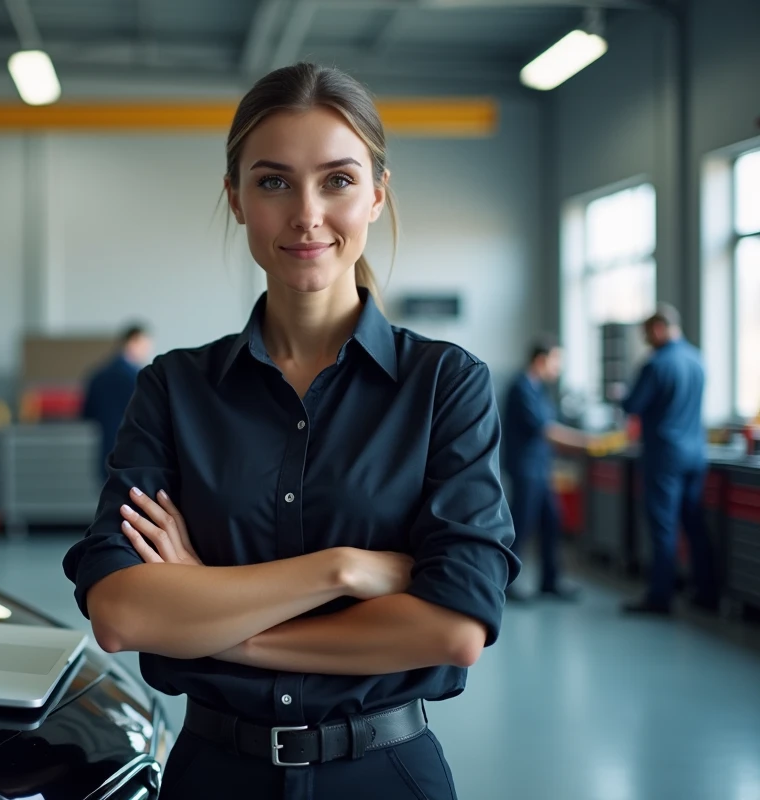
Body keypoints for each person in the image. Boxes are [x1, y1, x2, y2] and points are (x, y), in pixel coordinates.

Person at [63, 63, 518, 800]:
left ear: (376, 193)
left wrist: (212, 617)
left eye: (337, 180)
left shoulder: (444, 385)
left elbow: (454, 628)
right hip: (214, 778)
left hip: (386, 776)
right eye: (273, 182)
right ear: (236, 198)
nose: (307, 214)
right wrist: (343, 569)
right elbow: (121, 613)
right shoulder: (175, 390)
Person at [617, 304, 718, 616]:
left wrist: (622, 394)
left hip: (664, 456)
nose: (646, 340)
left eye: (647, 333)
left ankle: (660, 597)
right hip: (695, 454)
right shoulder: (697, 359)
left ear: (659, 328)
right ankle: (707, 592)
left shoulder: (656, 364)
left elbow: (633, 404)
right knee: (694, 523)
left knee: (663, 527)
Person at [502, 335, 587, 602]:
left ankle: (550, 581)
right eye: (556, 360)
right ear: (541, 359)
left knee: (552, 521)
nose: (558, 367)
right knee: (522, 525)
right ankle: (506, 582)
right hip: (526, 468)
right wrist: (586, 443)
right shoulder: (521, 387)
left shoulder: (538, 388)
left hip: (541, 467)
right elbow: (546, 430)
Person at [81, 323, 153, 479]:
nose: (147, 351)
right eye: (145, 345)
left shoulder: (98, 375)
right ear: (133, 341)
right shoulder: (137, 379)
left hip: (105, 450)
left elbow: (87, 413)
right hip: (132, 454)